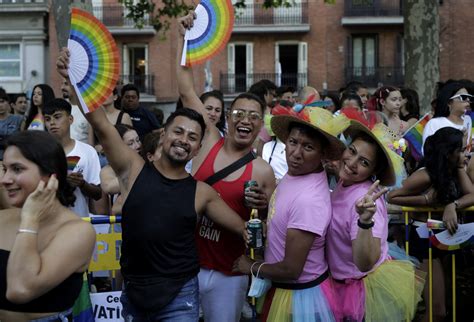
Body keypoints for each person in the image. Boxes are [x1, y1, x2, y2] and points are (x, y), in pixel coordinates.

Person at [59, 44, 252, 321]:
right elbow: (100, 123)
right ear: (163, 136)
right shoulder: (133, 169)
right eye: (178, 131)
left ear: (197, 149)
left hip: (180, 296)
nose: (184, 140)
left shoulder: (201, 193)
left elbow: (244, 229)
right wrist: (73, 77)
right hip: (134, 293)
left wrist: (255, 250)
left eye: (192, 137)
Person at [177, 13, 276, 322]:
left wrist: (256, 264)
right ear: (228, 117)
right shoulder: (208, 139)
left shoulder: (262, 170)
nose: (245, 119)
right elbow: (185, 91)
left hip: (229, 273)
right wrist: (185, 40)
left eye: (253, 116)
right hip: (186, 265)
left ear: (260, 125)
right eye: (238, 113)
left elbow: (273, 225)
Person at [233, 106, 349, 321]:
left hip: (300, 299)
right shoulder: (298, 174)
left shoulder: (309, 201)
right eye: (293, 142)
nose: (296, 153)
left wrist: (251, 266)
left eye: (308, 147)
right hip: (285, 291)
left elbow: (291, 269)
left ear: (322, 154)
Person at [325, 117, 424, 322]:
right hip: (339, 283)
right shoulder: (345, 182)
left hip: (360, 291)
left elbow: (365, 262)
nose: (352, 163)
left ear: (373, 172)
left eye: (364, 162)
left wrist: (364, 221)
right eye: (351, 151)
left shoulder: (365, 200)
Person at [0, 131, 95, 321]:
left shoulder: (78, 231)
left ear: (51, 175)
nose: (5, 179)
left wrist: (29, 220)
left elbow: (20, 289)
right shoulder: (2, 218)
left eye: (17, 169)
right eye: (5, 169)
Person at [388, 127, 472, 322]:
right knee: (437, 311)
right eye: (460, 149)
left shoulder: (455, 170)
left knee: (447, 306)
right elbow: (393, 196)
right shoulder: (426, 175)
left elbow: (472, 194)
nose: (465, 153)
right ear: (447, 152)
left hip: (445, 238)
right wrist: (426, 200)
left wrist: (452, 205)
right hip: (425, 240)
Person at [43, 98, 102, 217]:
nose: (52, 123)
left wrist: (82, 184)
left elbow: (98, 194)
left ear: (70, 119)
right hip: (48, 223)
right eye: (48, 119)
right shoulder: (39, 152)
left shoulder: (88, 151)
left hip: (79, 223)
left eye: (57, 117)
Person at [422, 82, 473, 154]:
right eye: (463, 97)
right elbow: (427, 152)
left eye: (469, 97)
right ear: (449, 102)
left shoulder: (468, 120)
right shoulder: (434, 123)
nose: (468, 100)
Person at [61, 78, 90, 144]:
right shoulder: (60, 107)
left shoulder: (87, 108)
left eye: (66, 84)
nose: (62, 87)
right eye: (62, 84)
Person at [0, 91, 23, 160]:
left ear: (8, 102)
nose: (0, 105)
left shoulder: (19, 120)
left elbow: (24, 141)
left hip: (14, 158)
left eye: (2, 101)